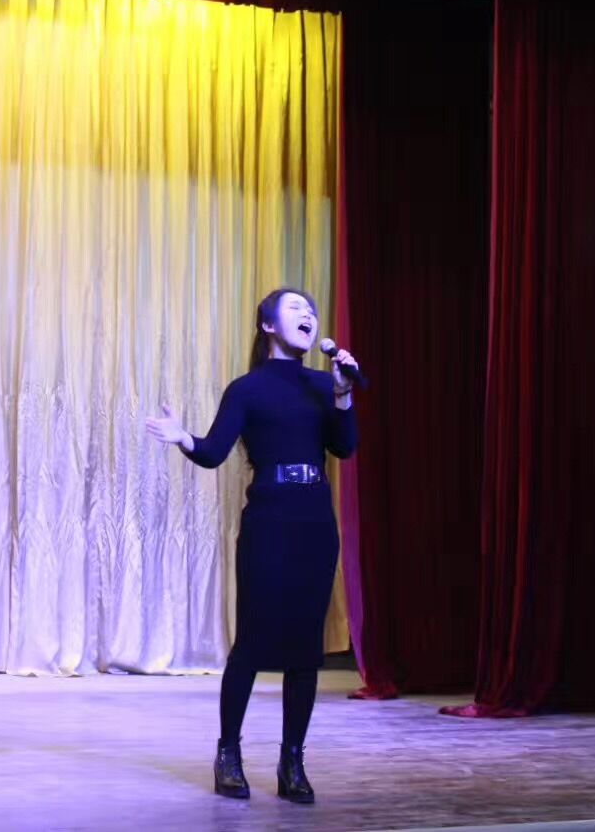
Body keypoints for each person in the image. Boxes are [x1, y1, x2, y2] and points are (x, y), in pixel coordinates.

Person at [146, 287, 359, 804]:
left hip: (314, 521)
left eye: (310, 310)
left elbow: (345, 447)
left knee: (305, 648)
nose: (308, 314)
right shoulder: (247, 389)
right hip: (268, 520)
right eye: (295, 308)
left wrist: (343, 395)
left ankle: (292, 761)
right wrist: (183, 437)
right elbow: (214, 452)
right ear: (267, 326)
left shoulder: (323, 383)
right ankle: (228, 753)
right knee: (253, 642)